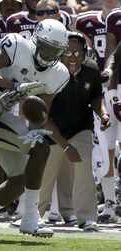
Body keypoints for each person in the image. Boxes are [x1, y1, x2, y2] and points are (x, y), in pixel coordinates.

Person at [0, 19, 70, 240]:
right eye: (46, 48)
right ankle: (31, 217)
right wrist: (12, 86)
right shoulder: (18, 46)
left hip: (9, 117)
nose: (48, 55)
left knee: (20, 180)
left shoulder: (59, 74)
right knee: (41, 149)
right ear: (35, 41)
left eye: (54, 51)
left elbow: (41, 111)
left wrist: (35, 128)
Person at [39, 31, 109, 231]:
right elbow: (44, 114)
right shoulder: (50, 73)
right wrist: (65, 145)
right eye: (68, 51)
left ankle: (87, 217)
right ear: (59, 53)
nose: (72, 56)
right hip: (51, 127)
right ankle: (33, 213)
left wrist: (102, 113)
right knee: (46, 172)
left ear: (85, 53)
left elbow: (95, 97)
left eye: (77, 52)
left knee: (84, 166)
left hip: (81, 126)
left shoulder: (91, 70)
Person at [76, 0, 120, 223]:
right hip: (107, 88)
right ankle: (110, 202)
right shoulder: (89, 21)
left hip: (110, 87)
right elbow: (109, 55)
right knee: (106, 147)